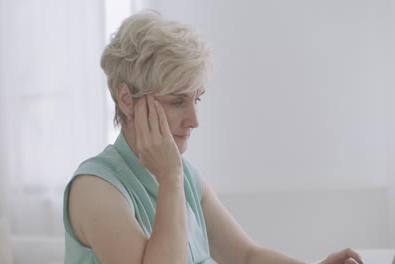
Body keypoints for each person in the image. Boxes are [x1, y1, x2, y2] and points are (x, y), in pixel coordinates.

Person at [63, 11, 364, 264]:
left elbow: (246, 256)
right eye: (177, 101)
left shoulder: (184, 177)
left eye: (198, 99)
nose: (194, 120)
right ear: (127, 100)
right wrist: (170, 178)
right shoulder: (96, 189)